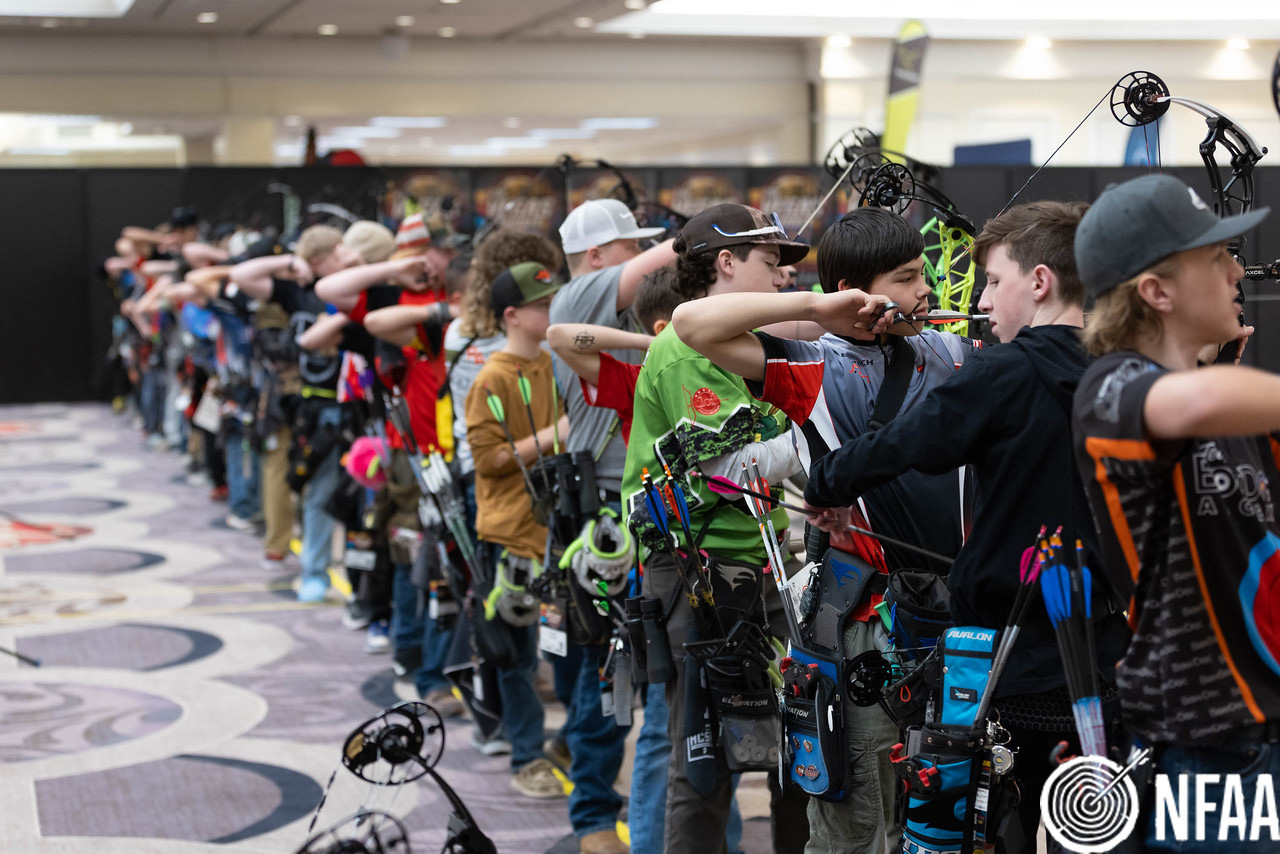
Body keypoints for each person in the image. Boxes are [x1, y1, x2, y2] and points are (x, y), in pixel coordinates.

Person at [776, 202, 1128, 850]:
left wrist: (826, 483)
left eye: (993, 281)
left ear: (1041, 282)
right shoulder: (1129, 373)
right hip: (1106, 651)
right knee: (1095, 826)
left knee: (973, 831)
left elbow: (909, 440)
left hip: (1001, 662)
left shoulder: (1001, 372)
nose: (981, 300)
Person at [673, 206, 978, 854]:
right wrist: (818, 308)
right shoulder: (813, 364)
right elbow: (690, 325)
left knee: (945, 820)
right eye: (905, 278)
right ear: (855, 294)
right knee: (858, 825)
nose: (925, 290)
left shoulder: (953, 352)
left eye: (923, 273)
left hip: (955, 622)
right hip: (864, 626)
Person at [1071, 174, 1279, 850]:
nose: (1237, 270)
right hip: (1209, 746)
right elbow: (1192, 404)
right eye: (1216, 257)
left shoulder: (1229, 401)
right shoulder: (1110, 388)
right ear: (1157, 292)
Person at [623, 203, 815, 854]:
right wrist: (829, 436)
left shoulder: (753, 344)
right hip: (696, 568)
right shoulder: (683, 348)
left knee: (800, 737)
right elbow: (729, 471)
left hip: (763, 561)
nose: (784, 277)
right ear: (726, 263)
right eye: (771, 261)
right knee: (703, 753)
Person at [548, 199, 675, 854]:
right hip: (604, 519)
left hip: (622, 512)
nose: (642, 258)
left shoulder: (605, 312)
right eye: (630, 247)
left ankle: (595, 799)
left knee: (611, 673)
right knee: (608, 675)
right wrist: (712, 235)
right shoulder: (581, 294)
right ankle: (593, 817)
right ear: (596, 256)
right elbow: (671, 256)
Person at [463, 261, 570, 804]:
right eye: (542, 306)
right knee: (518, 656)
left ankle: (567, 743)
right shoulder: (492, 378)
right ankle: (527, 756)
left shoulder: (553, 363)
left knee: (568, 652)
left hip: (557, 531)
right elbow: (490, 460)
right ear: (511, 315)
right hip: (510, 536)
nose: (552, 312)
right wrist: (556, 434)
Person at [227, 225, 362, 600]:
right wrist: (290, 261)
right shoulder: (298, 291)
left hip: (359, 405)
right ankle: (315, 571)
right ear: (319, 260)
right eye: (336, 253)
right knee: (317, 492)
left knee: (360, 498)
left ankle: (363, 585)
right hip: (314, 407)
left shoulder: (355, 288)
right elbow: (241, 275)